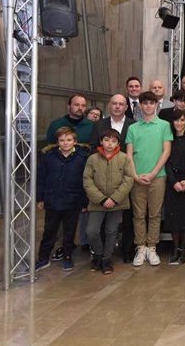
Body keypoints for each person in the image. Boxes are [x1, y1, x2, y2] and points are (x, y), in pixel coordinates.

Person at [125, 91, 173, 267]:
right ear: (140, 106)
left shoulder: (164, 125)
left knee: (154, 214)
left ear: (156, 105)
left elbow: (166, 151)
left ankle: (152, 247)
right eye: (144, 103)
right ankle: (141, 247)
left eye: (151, 103)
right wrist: (135, 175)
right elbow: (129, 154)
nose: (148, 106)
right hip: (137, 177)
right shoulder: (133, 128)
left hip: (158, 177)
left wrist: (153, 173)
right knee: (138, 214)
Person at [89, 94, 137, 262]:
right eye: (114, 103)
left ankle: (127, 250)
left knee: (128, 217)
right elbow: (93, 148)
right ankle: (101, 254)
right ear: (109, 106)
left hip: (125, 176)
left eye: (121, 104)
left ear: (126, 107)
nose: (117, 106)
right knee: (102, 222)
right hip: (102, 178)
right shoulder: (99, 125)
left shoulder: (133, 125)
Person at [35, 127, 90, 272]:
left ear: (75, 141)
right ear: (57, 142)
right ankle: (43, 257)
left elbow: (86, 182)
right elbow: (41, 178)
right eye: (62, 140)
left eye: (69, 140)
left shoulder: (82, 158)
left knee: (70, 231)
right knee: (49, 230)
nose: (65, 143)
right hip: (52, 199)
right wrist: (40, 198)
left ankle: (67, 257)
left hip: (73, 200)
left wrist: (85, 202)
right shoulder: (48, 157)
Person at [83, 129, 134, 275]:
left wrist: (114, 198)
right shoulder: (92, 159)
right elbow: (87, 180)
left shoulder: (124, 158)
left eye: (113, 141)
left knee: (111, 231)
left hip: (117, 203)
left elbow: (128, 179)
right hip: (97, 202)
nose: (109, 144)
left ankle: (106, 259)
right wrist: (101, 199)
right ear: (101, 142)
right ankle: (98, 255)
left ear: (118, 143)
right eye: (106, 140)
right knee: (92, 231)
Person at [164, 110, 185, 265]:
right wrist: (174, 182)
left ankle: (184, 249)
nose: (179, 123)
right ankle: (175, 249)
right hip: (172, 180)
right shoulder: (168, 138)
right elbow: (167, 162)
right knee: (173, 216)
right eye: (176, 120)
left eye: (182, 120)